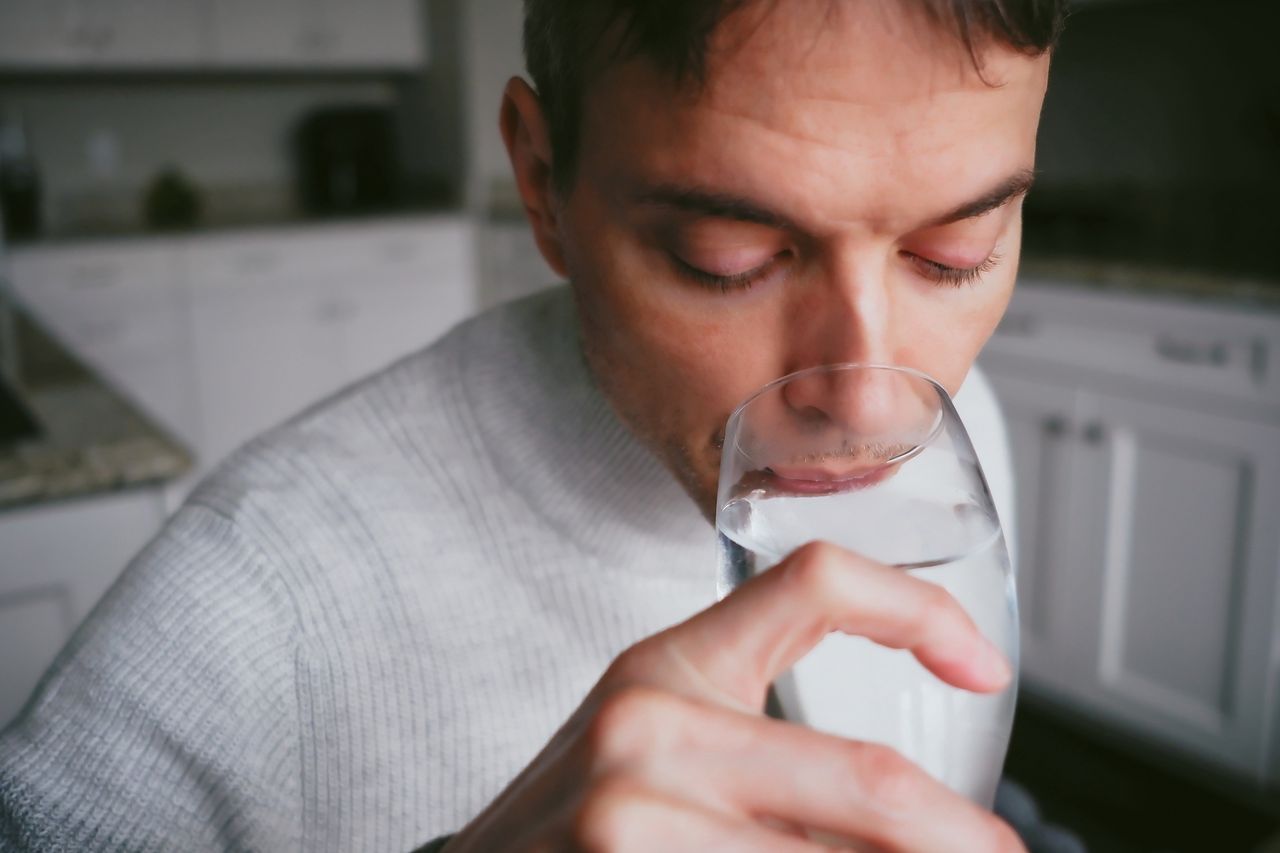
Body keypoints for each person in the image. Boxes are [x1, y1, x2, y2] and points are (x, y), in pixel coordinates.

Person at [0, 0, 1063, 849]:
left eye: (953, 254)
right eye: (722, 257)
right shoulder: (242, 611)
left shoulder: (961, 444)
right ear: (543, 183)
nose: (873, 406)